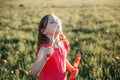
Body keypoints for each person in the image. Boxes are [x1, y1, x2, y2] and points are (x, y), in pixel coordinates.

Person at [31, 13, 78, 80]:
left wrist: (71, 69)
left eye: (57, 20)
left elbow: (62, 59)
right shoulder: (44, 49)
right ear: (44, 31)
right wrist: (44, 58)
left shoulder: (63, 43)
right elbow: (33, 72)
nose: (57, 22)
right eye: (52, 22)